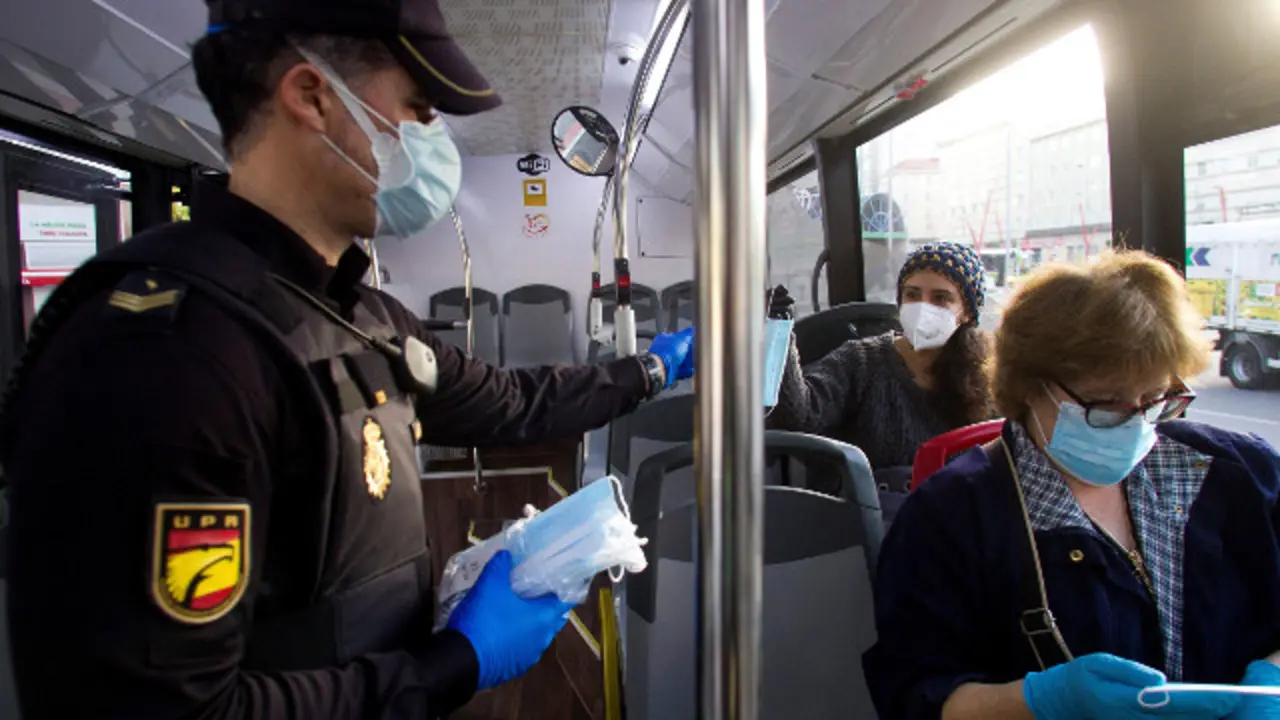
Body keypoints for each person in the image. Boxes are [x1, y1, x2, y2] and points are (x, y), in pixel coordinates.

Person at [0, 1, 696, 717]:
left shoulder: (358, 317)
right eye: (419, 108)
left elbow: (508, 400)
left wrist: (652, 369)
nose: (435, 139)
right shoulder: (164, 359)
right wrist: (451, 664)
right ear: (312, 96)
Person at [863, 251, 1280, 720]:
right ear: (1029, 387)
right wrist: (1039, 701)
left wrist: (1272, 679)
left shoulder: (1240, 473)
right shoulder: (949, 516)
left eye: (1155, 400)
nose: (1137, 425)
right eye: (1107, 407)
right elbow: (915, 695)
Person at [768, 242, 993, 482]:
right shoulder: (862, 361)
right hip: (870, 512)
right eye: (912, 295)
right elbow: (797, 418)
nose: (923, 307)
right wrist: (780, 332)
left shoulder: (985, 377)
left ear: (967, 312)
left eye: (940, 298)